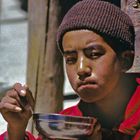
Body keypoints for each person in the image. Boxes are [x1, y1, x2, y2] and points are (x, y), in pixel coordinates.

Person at [0, 0, 140, 139]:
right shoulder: (68, 125)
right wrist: (16, 130)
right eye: (71, 59)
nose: (81, 69)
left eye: (94, 54)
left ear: (125, 60)